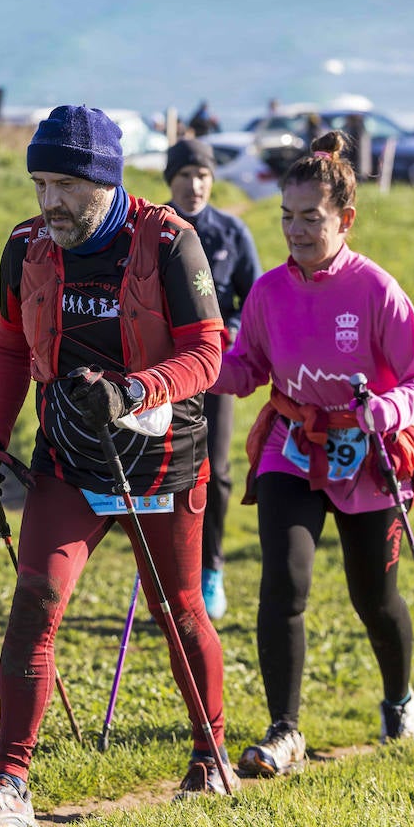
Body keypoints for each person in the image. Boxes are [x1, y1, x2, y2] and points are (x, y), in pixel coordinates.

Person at [0, 105, 239, 827]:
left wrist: (134, 390)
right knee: (36, 600)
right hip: (69, 461)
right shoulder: (27, 247)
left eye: (68, 185)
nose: (50, 202)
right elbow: (12, 345)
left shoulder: (170, 241)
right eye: (41, 182)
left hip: (164, 462)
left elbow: (209, 353)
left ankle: (210, 757)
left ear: (106, 181)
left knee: (179, 611)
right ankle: (11, 785)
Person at [212, 131, 414, 776]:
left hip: (369, 456)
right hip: (291, 445)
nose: (295, 230)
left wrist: (388, 408)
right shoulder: (267, 292)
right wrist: (199, 367)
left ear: (344, 219)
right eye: (286, 216)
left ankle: (400, 698)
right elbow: (246, 369)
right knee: (282, 584)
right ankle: (285, 731)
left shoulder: (376, 290)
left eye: (310, 218)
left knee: (374, 597)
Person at [164, 136, 263, 620]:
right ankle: (164, 568)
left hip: (216, 372)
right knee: (159, 473)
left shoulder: (232, 233)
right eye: (185, 175)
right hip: (160, 373)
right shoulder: (149, 228)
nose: (195, 184)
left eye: (203, 175)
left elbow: (256, 301)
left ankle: (212, 569)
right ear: (171, 180)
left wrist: (235, 333)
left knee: (217, 472)